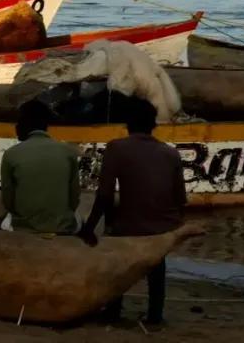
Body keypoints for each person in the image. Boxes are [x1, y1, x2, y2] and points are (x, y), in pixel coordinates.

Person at [77, 92, 186, 328]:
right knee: (158, 266)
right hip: (163, 228)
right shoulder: (171, 153)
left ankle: (114, 308)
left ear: (127, 125)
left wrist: (88, 228)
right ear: (154, 125)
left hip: (130, 227)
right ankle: (155, 314)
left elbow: (104, 195)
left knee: (117, 262)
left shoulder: (117, 148)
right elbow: (180, 200)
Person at [0, 101, 80, 234]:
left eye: (18, 123)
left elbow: (8, 202)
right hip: (62, 227)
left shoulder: (11, 154)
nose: (16, 128)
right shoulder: (67, 152)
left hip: (23, 227)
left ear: (25, 124)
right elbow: (74, 199)